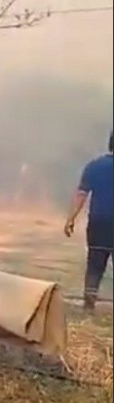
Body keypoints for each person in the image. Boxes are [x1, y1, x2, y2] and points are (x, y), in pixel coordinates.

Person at [64, 131, 114, 311]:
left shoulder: (94, 166)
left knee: (94, 264)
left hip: (98, 223)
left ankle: (89, 304)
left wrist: (71, 218)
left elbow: (81, 194)